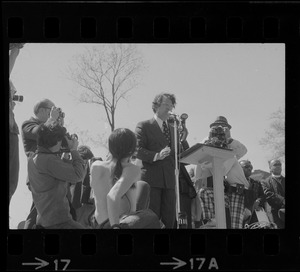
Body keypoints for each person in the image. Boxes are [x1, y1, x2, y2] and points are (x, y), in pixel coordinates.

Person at [135, 93, 192, 228]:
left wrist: (183, 139)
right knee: (151, 218)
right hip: (151, 180)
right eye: (166, 105)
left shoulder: (174, 129)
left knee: (169, 219)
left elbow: (181, 157)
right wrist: (156, 155)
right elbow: (136, 149)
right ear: (156, 106)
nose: (170, 109)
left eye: (171, 106)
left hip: (170, 182)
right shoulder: (144, 125)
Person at [90, 128, 160, 229]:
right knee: (151, 216)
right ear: (132, 149)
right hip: (116, 224)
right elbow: (112, 197)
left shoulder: (95, 166)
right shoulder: (131, 169)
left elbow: (94, 195)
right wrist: (115, 226)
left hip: (97, 223)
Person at [27, 121, 86, 229]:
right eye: (61, 140)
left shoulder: (34, 159)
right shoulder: (49, 161)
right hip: (60, 223)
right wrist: (73, 150)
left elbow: (52, 176)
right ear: (56, 141)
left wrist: (65, 154)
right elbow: (78, 175)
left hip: (44, 222)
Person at [196, 116, 249, 228]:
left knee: (235, 226)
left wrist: (228, 138)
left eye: (222, 132)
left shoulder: (230, 154)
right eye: (216, 131)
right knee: (203, 192)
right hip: (225, 191)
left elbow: (222, 171)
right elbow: (198, 152)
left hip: (238, 192)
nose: (218, 136)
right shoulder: (215, 155)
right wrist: (209, 139)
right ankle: (211, 219)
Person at [21, 100, 62, 228]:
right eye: (51, 109)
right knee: (37, 210)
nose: (53, 113)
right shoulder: (28, 124)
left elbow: (62, 146)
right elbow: (39, 133)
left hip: (51, 173)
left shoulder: (49, 127)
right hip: (38, 174)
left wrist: (59, 126)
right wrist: (51, 120)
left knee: (46, 211)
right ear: (42, 110)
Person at [8, 43, 25, 205]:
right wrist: (15, 49)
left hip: (12, 132)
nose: (14, 98)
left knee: (12, 182)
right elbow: (13, 56)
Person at [239, 160, 266, 225]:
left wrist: (259, 201)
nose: (250, 168)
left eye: (251, 167)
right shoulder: (233, 182)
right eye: (246, 166)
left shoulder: (256, 183)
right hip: (239, 214)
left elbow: (263, 196)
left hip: (254, 216)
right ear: (239, 168)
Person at [261, 159, 285, 228]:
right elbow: (268, 195)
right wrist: (283, 200)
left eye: (279, 164)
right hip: (275, 214)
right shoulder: (265, 182)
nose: (278, 166)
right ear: (270, 168)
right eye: (275, 165)